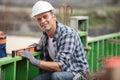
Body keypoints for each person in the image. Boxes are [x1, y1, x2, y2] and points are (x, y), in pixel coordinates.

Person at [18, 1, 89, 80]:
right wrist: (36, 47)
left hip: (77, 72)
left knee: (56, 76)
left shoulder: (67, 34)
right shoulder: (45, 35)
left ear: (53, 17)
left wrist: (34, 61)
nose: (42, 21)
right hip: (59, 72)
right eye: (39, 19)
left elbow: (60, 66)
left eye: (45, 17)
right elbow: (40, 44)